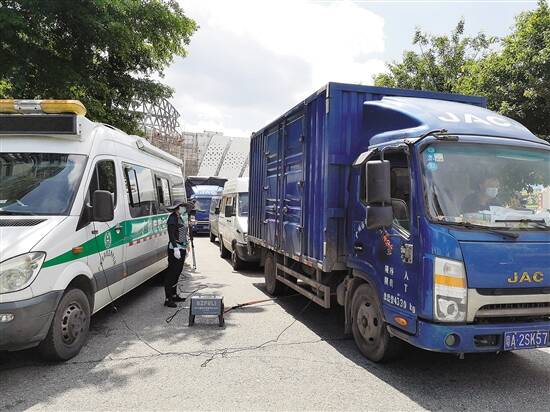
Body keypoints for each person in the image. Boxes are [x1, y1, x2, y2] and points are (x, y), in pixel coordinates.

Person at [164, 200, 192, 308]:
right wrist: (175, 248)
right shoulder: (172, 218)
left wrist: (186, 245)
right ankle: (168, 298)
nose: (183, 208)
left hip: (182, 247)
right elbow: (171, 235)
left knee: (178, 272)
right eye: (182, 207)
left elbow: (182, 233)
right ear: (177, 208)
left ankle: (174, 294)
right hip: (175, 248)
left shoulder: (180, 217)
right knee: (172, 273)